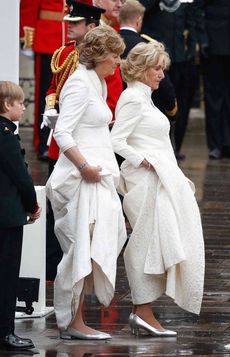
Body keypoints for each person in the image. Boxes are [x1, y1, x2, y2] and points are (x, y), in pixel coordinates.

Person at [111, 42, 205, 337]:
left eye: (162, 68)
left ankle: (144, 310)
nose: (161, 74)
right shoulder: (132, 98)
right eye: (157, 68)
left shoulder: (145, 98)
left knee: (157, 245)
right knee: (145, 244)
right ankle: (143, 311)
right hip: (144, 182)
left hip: (158, 181)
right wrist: (146, 162)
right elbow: (116, 140)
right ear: (141, 68)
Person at [46, 25, 127, 340]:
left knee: (97, 243)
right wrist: (84, 167)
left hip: (98, 175)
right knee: (79, 248)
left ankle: (76, 320)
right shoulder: (79, 83)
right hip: (82, 177)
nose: (117, 63)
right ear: (98, 55)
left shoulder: (97, 82)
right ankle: (72, 322)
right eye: (114, 56)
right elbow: (63, 132)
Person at [41, 0, 105, 281]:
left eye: (75, 23)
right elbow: (53, 86)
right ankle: (52, 265)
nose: (69, 27)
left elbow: (108, 102)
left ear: (91, 26)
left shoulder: (100, 60)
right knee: (57, 205)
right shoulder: (64, 53)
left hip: (88, 143)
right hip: (62, 138)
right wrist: (51, 108)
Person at [0, 81, 41, 350]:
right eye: (20, 103)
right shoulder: (5, 135)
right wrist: (33, 205)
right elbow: (22, 178)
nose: (23, 107)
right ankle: (6, 333)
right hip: (8, 217)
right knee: (6, 277)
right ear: (6, 105)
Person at [139, 0, 198, 160]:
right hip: (156, 60)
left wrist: (191, 50)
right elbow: (141, 9)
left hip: (179, 59)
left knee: (179, 104)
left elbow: (191, 23)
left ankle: (175, 146)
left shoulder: (184, 3)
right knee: (158, 104)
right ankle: (159, 144)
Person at [20, 0, 68, 160]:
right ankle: (43, 143)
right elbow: (29, 7)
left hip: (70, 38)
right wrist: (28, 40)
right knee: (46, 95)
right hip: (47, 39)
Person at [194, 0, 230, 160]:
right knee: (213, 98)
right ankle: (215, 144)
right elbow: (197, 10)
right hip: (213, 45)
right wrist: (203, 39)